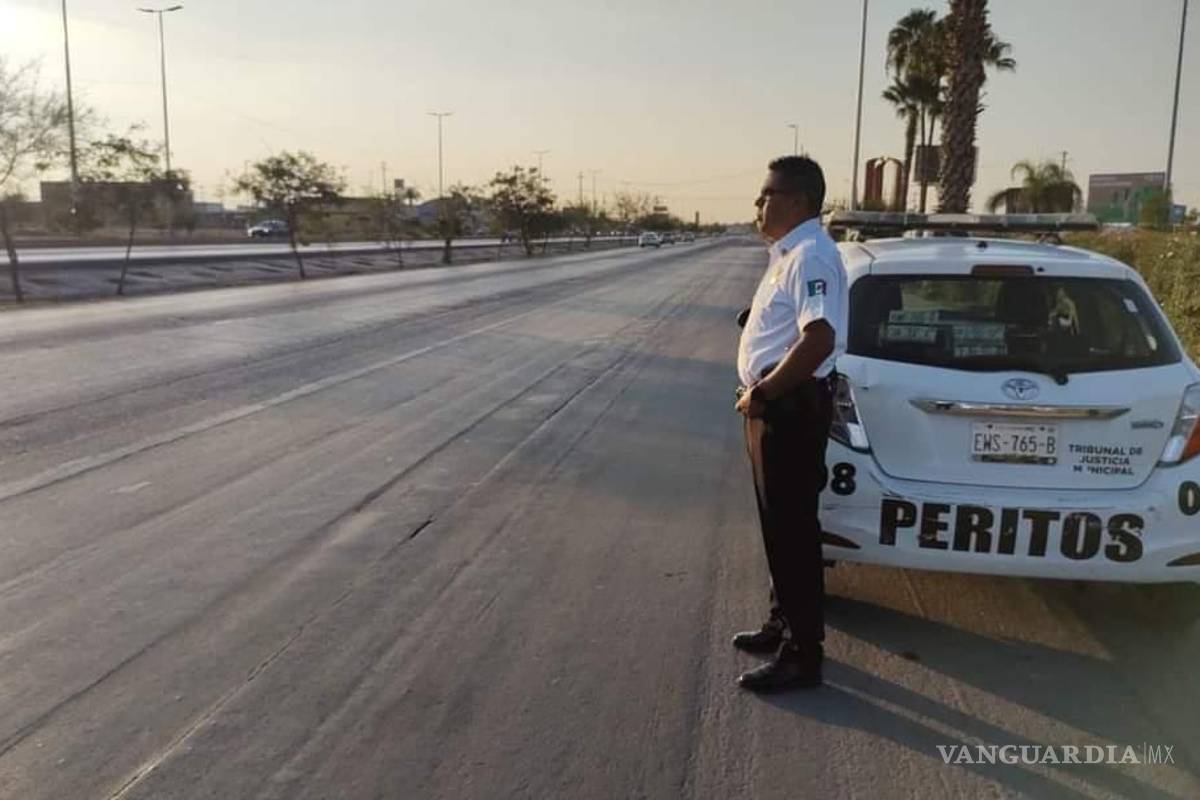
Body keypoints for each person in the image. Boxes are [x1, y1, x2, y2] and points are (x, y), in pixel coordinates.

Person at [732, 155, 848, 691]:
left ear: (797, 201)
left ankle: (804, 653)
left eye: (767, 194)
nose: (759, 204)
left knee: (794, 532)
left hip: (789, 410)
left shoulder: (810, 255)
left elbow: (819, 339)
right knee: (778, 528)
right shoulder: (789, 255)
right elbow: (793, 325)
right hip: (776, 408)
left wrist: (763, 392)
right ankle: (784, 623)